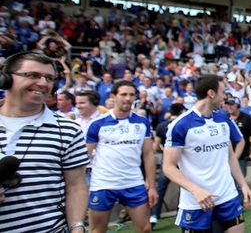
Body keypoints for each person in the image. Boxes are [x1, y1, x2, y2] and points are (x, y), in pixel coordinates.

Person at [0, 51, 90, 233]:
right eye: (32, 75)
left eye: (49, 78)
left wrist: (77, 228)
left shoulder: (67, 129)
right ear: (6, 80)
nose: (42, 83)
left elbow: (76, 186)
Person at [163, 74, 251, 233]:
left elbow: (230, 156)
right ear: (211, 93)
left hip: (227, 196)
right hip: (197, 202)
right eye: (223, 92)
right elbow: (168, 167)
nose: (225, 98)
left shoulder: (223, 120)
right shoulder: (180, 125)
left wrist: (243, 185)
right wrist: (195, 189)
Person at [85, 80, 158, 233]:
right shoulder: (97, 124)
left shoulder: (142, 122)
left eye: (131, 95)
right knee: (97, 230)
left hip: (133, 182)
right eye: (123, 94)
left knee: (145, 229)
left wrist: (151, 186)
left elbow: (148, 154)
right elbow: (85, 156)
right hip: (103, 184)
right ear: (113, 96)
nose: (128, 98)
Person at [150, 102, 185, 228]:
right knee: (186, 187)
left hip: (167, 161)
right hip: (181, 161)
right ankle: (183, 211)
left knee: (160, 188)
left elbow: (156, 146)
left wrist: (167, 152)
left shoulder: (161, 126)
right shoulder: (183, 125)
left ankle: (153, 215)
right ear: (181, 112)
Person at [224, 96, 251, 203]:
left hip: (242, 155)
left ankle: (239, 205)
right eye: (228, 105)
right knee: (227, 182)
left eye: (232, 105)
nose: (229, 107)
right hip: (225, 156)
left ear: (237, 106)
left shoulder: (246, 118)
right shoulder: (224, 118)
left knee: (239, 182)